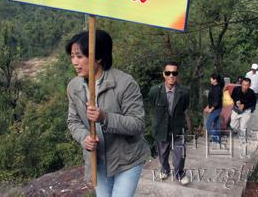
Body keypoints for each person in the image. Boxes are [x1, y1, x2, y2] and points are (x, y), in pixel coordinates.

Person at [66, 30, 150, 197]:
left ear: (98, 57)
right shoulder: (74, 87)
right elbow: (73, 121)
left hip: (127, 159)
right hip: (98, 161)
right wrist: (84, 138)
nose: (74, 62)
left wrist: (105, 117)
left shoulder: (125, 83)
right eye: (72, 56)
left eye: (80, 56)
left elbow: (138, 124)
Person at [149, 61, 191, 185]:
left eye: (174, 73)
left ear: (177, 74)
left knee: (180, 153)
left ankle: (179, 173)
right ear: (164, 74)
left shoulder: (184, 91)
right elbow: (153, 105)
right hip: (161, 127)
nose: (171, 75)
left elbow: (184, 106)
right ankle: (165, 169)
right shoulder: (155, 91)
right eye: (168, 73)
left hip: (177, 127)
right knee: (162, 152)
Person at [205, 73, 224, 143]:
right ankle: (217, 139)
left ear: (215, 80)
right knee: (216, 125)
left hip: (216, 109)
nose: (210, 79)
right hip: (216, 108)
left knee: (208, 126)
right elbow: (211, 99)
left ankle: (216, 138)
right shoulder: (213, 86)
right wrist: (208, 106)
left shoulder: (217, 89)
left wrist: (211, 109)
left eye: (211, 78)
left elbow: (216, 101)